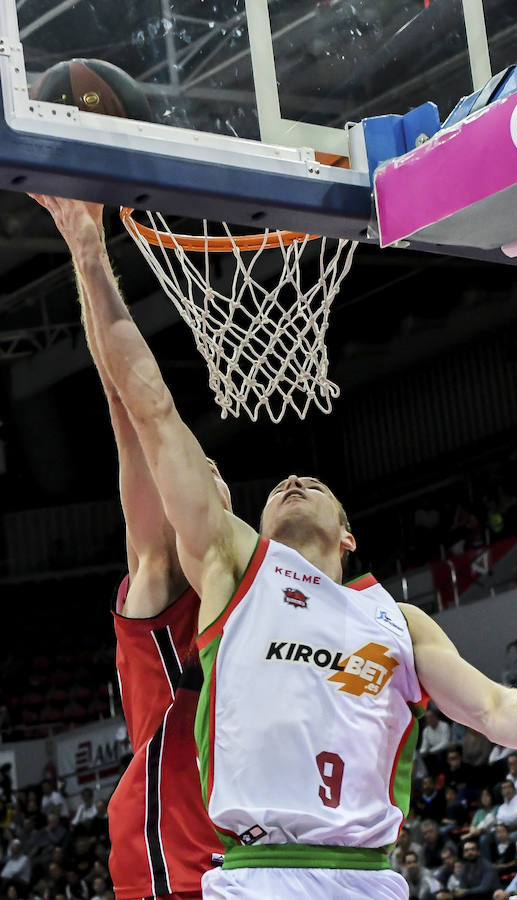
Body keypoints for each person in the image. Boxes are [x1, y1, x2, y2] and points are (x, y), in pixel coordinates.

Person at [33, 193, 517, 900]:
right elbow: (151, 410)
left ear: (348, 534)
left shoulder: (398, 620)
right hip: (254, 873)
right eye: (279, 485)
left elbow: (488, 710)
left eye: (313, 483)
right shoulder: (235, 569)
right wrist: (88, 248)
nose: (292, 479)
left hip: (368, 877)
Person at [29, 198, 227, 899]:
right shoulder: (168, 576)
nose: (195, 478)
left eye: (210, 473)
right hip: (176, 874)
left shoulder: (268, 592)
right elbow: (131, 409)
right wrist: (88, 253)